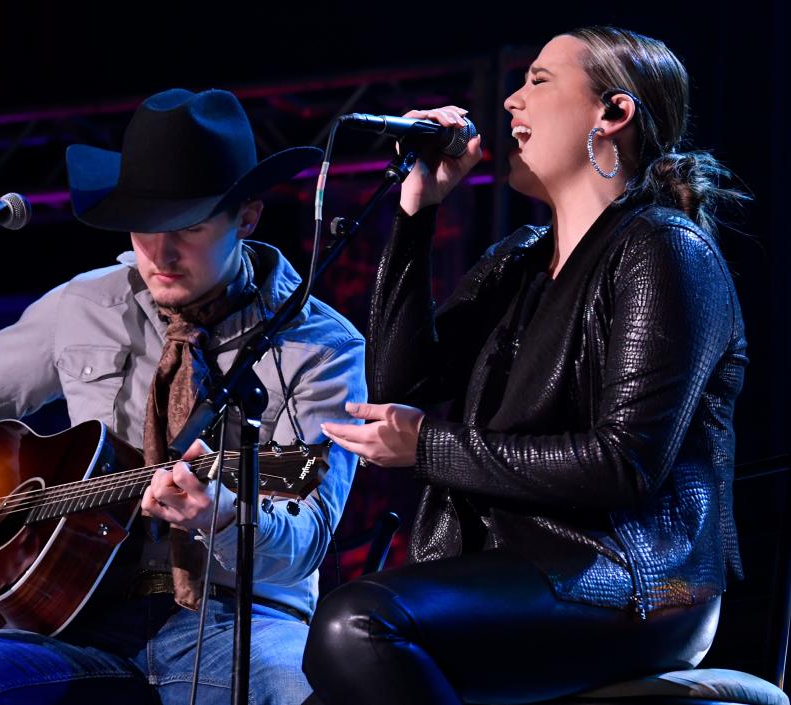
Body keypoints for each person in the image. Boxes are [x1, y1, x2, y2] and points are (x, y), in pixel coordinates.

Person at [0, 88, 366, 705]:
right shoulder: (86, 302)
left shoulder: (323, 346)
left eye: (188, 227)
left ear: (246, 218)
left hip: (235, 621)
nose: (159, 254)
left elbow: (310, 536)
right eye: (145, 226)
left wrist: (220, 515)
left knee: (313, 680)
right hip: (74, 620)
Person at [304, 26, 748, 705]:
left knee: (356, 623)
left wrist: (426, 444)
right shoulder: (519, 260)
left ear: (614, 113)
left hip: (629, 576)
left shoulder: (665, 250)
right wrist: (416, 215)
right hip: (512, 567)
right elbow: (402, 384)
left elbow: (623, 463)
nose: (511, 102)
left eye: (538, 81)